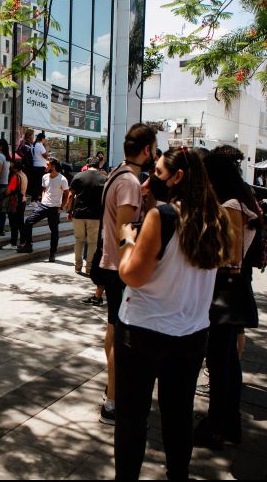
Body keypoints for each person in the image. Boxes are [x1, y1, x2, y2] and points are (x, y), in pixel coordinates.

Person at [114, 146, 232, 480]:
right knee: (178, 414)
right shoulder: (216, 218)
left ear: (177, 177)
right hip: (192, 334)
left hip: (143, 332)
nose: (149, 183)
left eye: (158, 174)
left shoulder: (163, 217)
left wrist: (126, 240)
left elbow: (132, 274)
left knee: (131, 418)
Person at [195, 145, 264, 450]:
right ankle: (227, 424)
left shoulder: (232, 205)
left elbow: (231, 258)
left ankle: (216, 427)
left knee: (221, 363)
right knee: (227, 363)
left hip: (226, 291)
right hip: (232, 290)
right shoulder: (239, 200)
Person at [99, 123, 158, 426]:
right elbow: (125, 228)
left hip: (111, 265)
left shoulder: (120, 175)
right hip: (118, 267)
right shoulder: (129, 183)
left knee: (113, 330)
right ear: (147, 149)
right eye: (155, 147)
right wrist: (131, 268)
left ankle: (112, 390)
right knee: (120, 337)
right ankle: (113, 402)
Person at [17, 158, 69, 262]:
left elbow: (66, 194)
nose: (45, 166)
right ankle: (28, 245)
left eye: (47, 164)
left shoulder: (62, 179)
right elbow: (44, 189)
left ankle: (52, 253)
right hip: (43, 206)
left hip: (54, 208)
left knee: (54, 231)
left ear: (53, 166)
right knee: (28, 221)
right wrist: (43, 199)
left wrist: (61, 206)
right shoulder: (45, 176)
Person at [66, 156, 107, 277]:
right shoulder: (104, 178)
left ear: (87, 165)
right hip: (95, 215)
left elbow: (70, 195)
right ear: (99, 165)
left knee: (79, 240)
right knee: (93, 242)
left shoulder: (78, 176)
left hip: (78, 213)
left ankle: (77, 266)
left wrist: (69, 211)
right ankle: (89, 268)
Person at [2, 160, 29, 250]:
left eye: (12, 166)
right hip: (23, 201)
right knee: (20, 223)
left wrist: (4, 191)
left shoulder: (15, 177)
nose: (10, 167)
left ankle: (13, 243)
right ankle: (22, 242)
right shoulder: (24, 175)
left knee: (13, 223)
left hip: (15, 203)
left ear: (15, 168)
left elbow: (8, 191)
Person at [30, 132, 49, 204]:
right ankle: (35, 200)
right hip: (40, 167)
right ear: (42, 139)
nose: (45, 140)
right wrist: (47, 152)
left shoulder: (34, 145)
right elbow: (45, 156)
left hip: (35, 166)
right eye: (44, 138)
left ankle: (34, 199)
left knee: (36, 183)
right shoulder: (40, 146)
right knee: (39, 184)